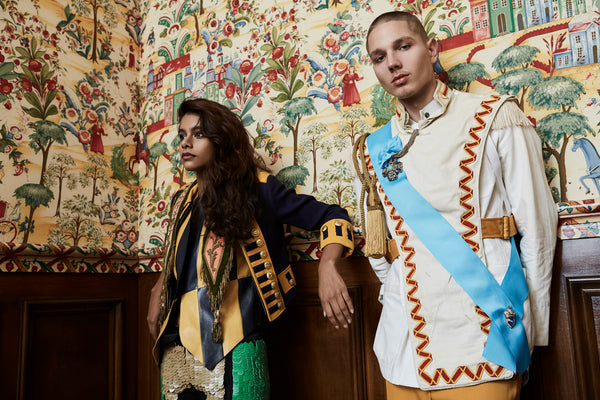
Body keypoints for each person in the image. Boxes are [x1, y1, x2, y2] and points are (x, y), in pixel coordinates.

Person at [353, 11, 557, 400]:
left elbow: (538, 229)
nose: (392, 62)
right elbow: (382, 249)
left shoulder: (495, 117)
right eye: (379, 57)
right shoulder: (374, 146)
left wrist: (531, 331)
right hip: (405, 350)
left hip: (485, 339)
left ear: (431, 50)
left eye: (403, 46)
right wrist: (397, 296)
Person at [147, 98, 355, 400]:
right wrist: (157, 289)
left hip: (238, 342)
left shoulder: (258, 188)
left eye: (199, 134)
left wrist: (327, 266)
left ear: (221, 139)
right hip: (176, 347)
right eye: (182, 135)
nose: (186, 143)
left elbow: (333, 216)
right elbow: (179, 264)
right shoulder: (182, 199)